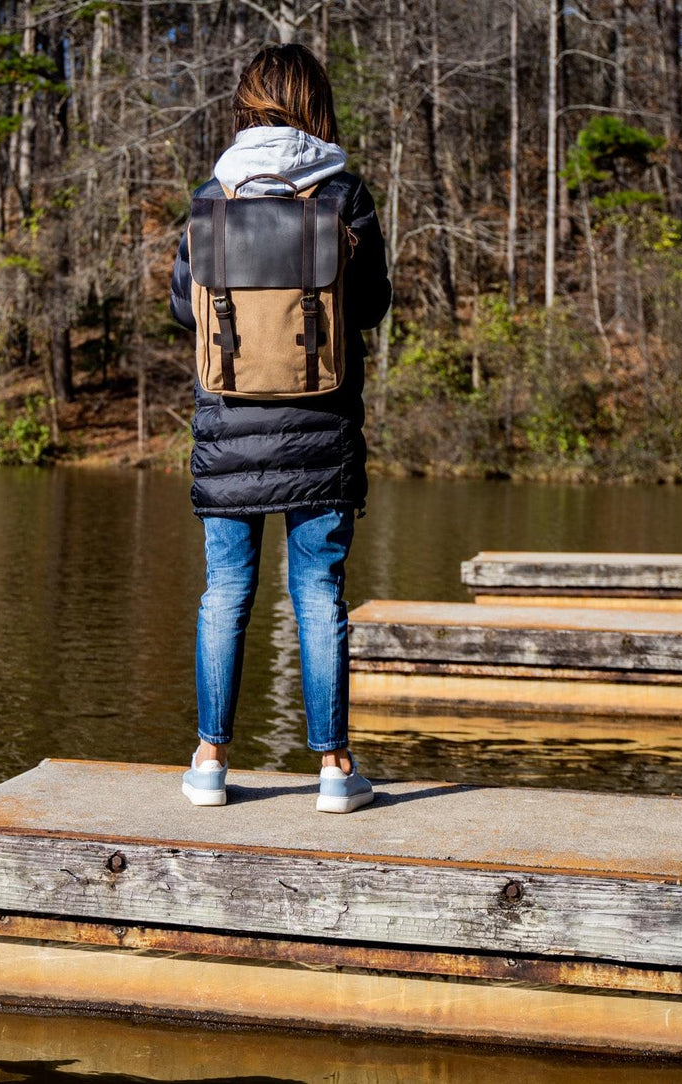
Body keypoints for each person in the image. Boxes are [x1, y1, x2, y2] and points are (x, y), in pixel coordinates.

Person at [169, 44, 392, 813]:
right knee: (319, 594)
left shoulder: (212, 194)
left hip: (228, 426)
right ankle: (334, 770)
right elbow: (368, 305)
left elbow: (179, 306)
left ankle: (208, 763)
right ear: (313, 103)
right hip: (321, 425)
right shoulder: (343, 192)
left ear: (248, 104)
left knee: (225, 591)